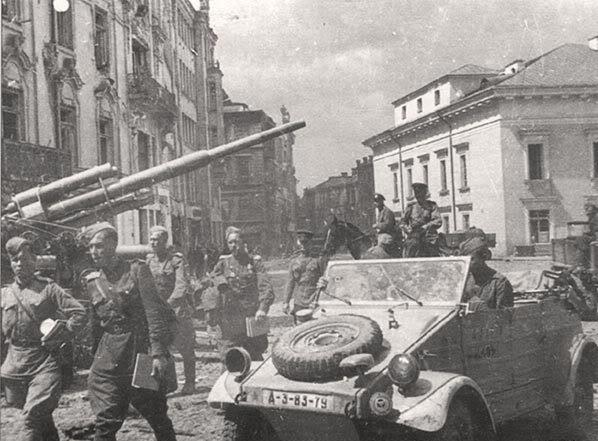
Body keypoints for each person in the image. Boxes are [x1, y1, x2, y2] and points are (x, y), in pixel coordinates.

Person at [82, 222, 177, 441]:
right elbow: (95, 325)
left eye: (99, 246)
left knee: (157, 416)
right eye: (91, 247)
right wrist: (94, 359)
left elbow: (154, 314)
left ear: (113, 245)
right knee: (105, 421)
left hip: (139, 354)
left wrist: (158, 354)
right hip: (109, 359)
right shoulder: (92, 281)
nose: (94, 252)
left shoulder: (136, 271)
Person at [1, 237, 86, 441]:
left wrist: (62, 332)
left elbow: (79, 313)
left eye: (26, 259)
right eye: (16, 260)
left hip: (45, 361)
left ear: (35, 261)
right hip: (15, 365)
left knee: (31, 418)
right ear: (11, 264)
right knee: (41, 418)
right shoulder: (4, 294)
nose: (21, 263)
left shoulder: (48, 288)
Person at [211, 227, 274, 361]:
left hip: (250, 318)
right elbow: (214, 276)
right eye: (230, 242)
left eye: (237, 242)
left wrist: (263, 308)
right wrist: (222, 285)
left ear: (243, 243)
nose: (234, 246)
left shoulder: (254, 262)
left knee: (255, 356)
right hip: (230, 321)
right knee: (229, 358)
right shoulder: (223, 263)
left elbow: (266, 287)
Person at [146, 225, 196, 395]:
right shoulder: (149, 261)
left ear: (164, 241)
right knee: (159, 348)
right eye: (151, 239)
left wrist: (167, 305)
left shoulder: (177, 260)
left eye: (157, 240)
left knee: (185, 348)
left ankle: (190, 383)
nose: (153, 243)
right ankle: (166, 384)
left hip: (176, 311)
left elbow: (182, 285)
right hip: (157, 312)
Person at [282, 229, 328, 322]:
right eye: (301, 243)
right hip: (299, 301)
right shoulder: (294, 261)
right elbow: (290, 283)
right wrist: (286, 302)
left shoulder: (318, 260)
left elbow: (326, 278)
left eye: (306, 243)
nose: (303, 246)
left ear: (310, 244)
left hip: (314, 300)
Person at [460, 237, 514, 310]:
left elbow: (503, 318)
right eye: (465, 260)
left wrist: (473, 299)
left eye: (471, 259)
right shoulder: (463, 280)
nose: (468, 264)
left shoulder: (499, 283)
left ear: (483, 257)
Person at [400, 183, 442, 257]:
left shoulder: (431, 206)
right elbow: (402, 222)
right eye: (416, 193)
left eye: (420, 193)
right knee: (409, 248)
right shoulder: (411, 207)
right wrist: (407, 229)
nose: (418, 196)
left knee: (435, 251)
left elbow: (438, 220)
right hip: (414, 234)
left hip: (429, 235)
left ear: (425, 193)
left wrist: (426, 226)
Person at [575, 203, 598, 270]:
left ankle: (582, 261)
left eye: (589, 214)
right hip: (594, 236)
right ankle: (582, 260)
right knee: (581, 239)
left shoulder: (596, 218)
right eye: (588, 214)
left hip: (596, 237)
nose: (588, 216)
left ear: (594, 212)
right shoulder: (593, 218)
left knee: (581, 239)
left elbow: (596, 230)